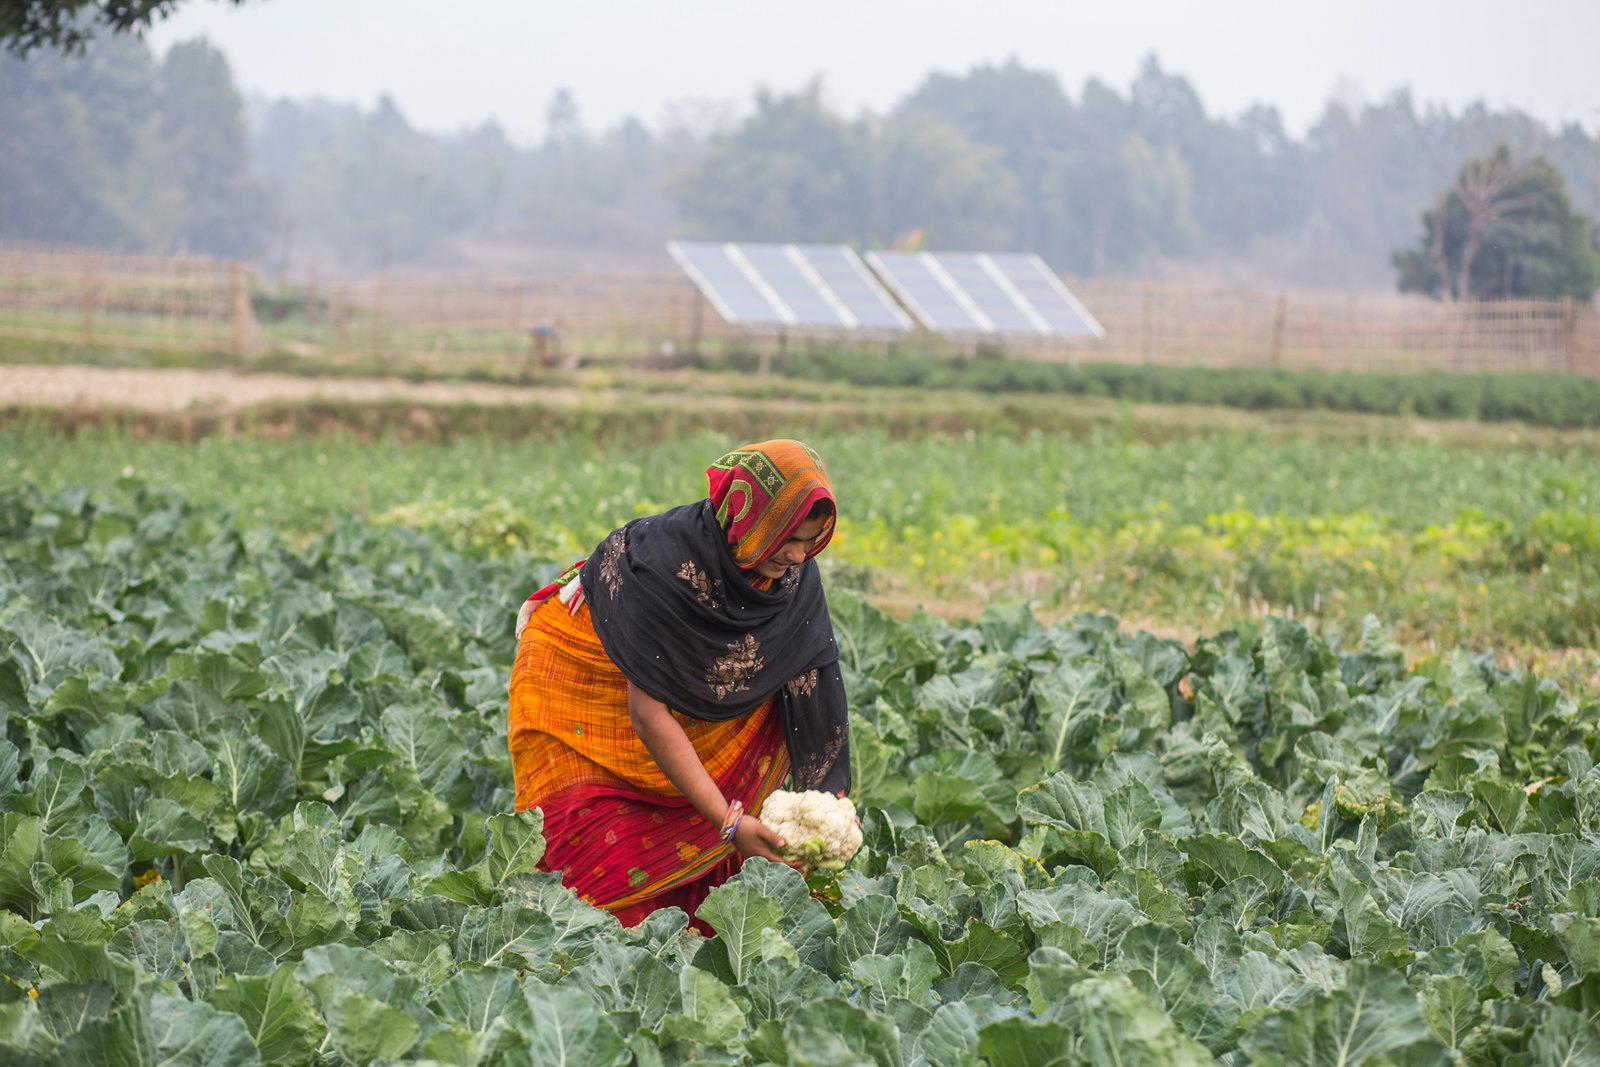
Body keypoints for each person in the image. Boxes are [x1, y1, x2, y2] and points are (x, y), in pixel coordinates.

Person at [507, 439, 850, 931]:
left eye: (811, 541)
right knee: (597, 885)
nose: (798, 555)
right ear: (750, 521)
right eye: (788, 539)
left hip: (683, 719)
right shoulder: (662, 568)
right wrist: (730, 823)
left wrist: (826, 803)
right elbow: (648, 715)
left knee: (711, 905)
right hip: (588, 699)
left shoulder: (792, 576)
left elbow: (813, 672)